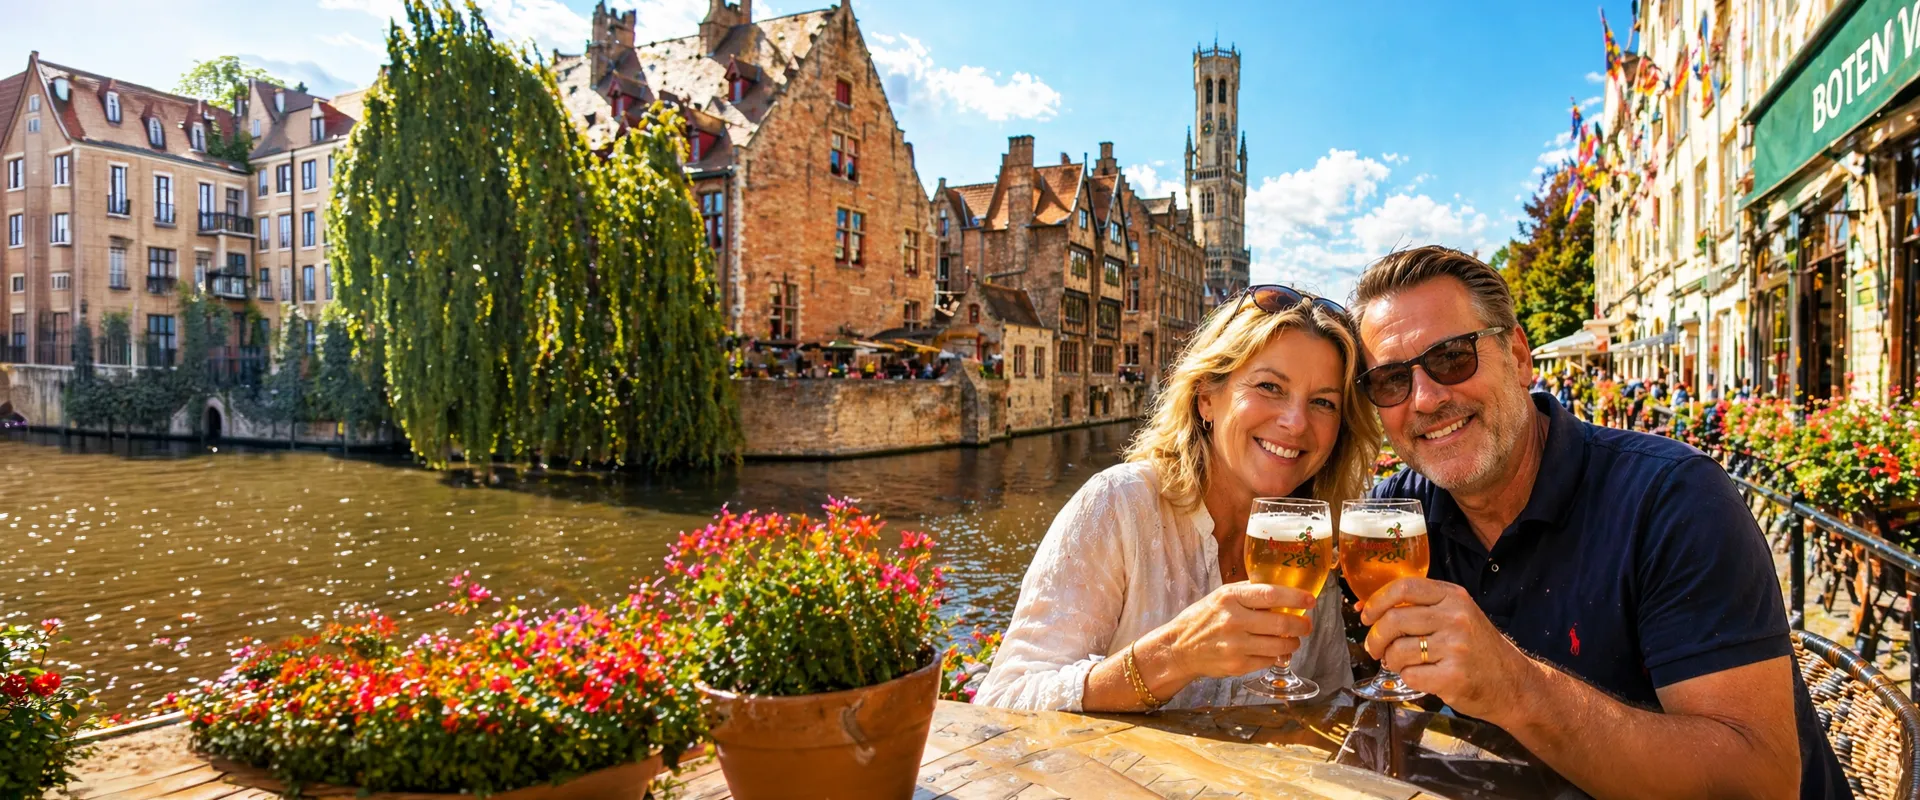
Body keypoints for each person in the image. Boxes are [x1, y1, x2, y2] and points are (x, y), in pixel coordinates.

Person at [1349, 246, 1845, 799]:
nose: (1425, 398)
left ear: (1517, 356)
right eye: (1391, 380)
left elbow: (1761, 783)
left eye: (1451, 357)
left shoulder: (1671, 497)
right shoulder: (1393, 522)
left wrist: (1516, 686)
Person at [977, 286, 1381, 711]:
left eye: (1322, 402)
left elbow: (1331, 703)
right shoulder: (1120, 506)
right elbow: (1004, 704)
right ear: (1207, 396)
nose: (1296, 423)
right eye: (1269, 387)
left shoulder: (1312, 540)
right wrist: (1174, 654)